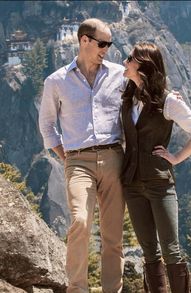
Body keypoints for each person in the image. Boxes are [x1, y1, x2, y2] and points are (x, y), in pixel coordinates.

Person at [39, 18, 126, 293]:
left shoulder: (119, 74)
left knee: (113, 233)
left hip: (114, 157)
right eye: (102, 43)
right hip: (77, 160)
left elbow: (141, 102)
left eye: (109, 44)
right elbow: (47, 125)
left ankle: (114, 290)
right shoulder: (56, 81)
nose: (106, 49)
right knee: (79, 221)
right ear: (84, 40)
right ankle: (77, 289)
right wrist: (67, 156)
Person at [121, 42, 191, 293]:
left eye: (130, 59)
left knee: (171, 250)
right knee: (149, 252)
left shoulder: (168, 101)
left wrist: (177, 157)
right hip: (132, 184)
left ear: (144, 66)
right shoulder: (127, 97)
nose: (125, 63)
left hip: (160, 183)